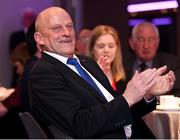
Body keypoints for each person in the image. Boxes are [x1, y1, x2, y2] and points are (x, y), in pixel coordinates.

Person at [29, 7, 175, 139]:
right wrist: (128, 97)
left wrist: (147, 94)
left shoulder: (87, 63)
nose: (66, 33)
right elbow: (79, 124)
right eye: (57, 28)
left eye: (69, 26)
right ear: (39, 38)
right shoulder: (43, 73)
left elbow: (119, 109)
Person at [87, 25, 159, 138]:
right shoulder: (86, 76)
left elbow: (132, 112)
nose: (106, 50)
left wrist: (149, 94)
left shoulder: (122, 75)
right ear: (92, 49)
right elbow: (95, 117)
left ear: (117, 49)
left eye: (111, 46)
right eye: (101, 46)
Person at [125, 21, 180, 97]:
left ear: (157, 43)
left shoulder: (172, 64)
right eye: (141, 39)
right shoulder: (122, 65)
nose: (146, 46)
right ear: (132, 43)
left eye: (151, 40)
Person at [9, 7, 36, 87]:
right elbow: (13, 56)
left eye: (32, 18)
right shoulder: (15, 36)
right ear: (23, 19)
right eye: (27, 18)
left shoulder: (39, 37)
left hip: (32, 70)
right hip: (19, 74)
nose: (30, 20)